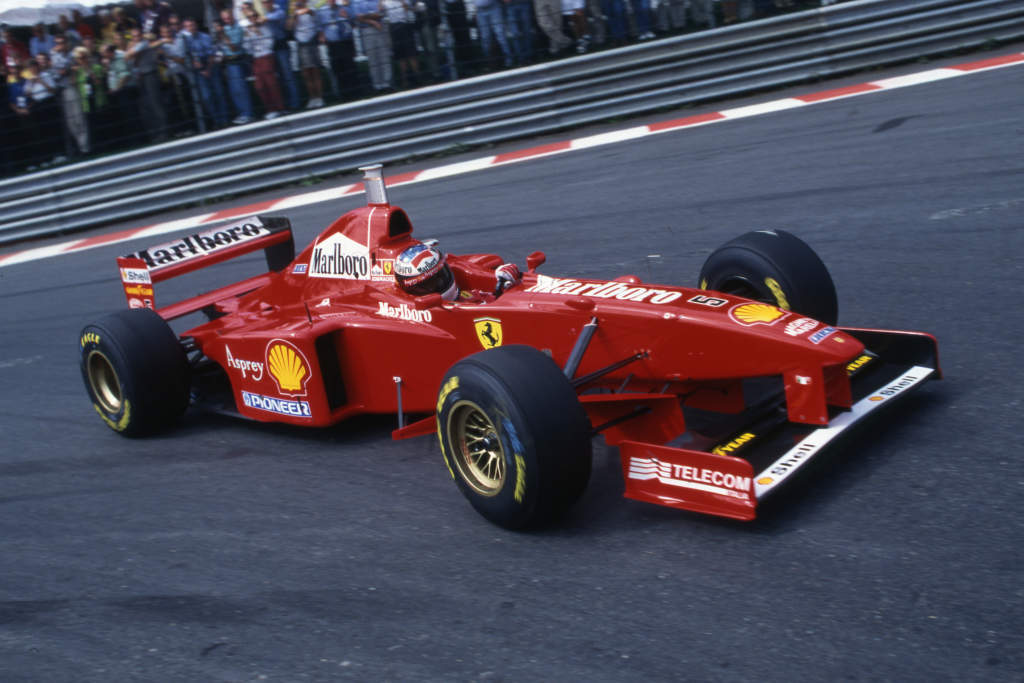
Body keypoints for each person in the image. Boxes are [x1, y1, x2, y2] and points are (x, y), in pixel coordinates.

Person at [394, 240, 521, 303]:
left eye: (440, 276)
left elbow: (494, 301)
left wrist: (506, 284)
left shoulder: (466, 296)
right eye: (429, 284)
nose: (439, 283)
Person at [178, 17, 229, 128]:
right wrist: (198, 67)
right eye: (187, 26)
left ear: (195, 25)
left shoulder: (205, 37)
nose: (190, 28)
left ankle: (224, 119)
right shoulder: (184, 40)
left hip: (210, 65)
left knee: (219, 92)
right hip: (197, 69)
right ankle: (216, 120)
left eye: (191, 25)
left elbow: (212, 53)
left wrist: (207, 69)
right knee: (206, 97)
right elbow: (186, 55)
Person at [241, 7, 285, 119]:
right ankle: (270, 109)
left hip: (266, 56)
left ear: (257, 16)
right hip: (256, 58)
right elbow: (247, 48)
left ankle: (280, 108)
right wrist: (247, 38)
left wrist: (258, 33)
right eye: (249, 17)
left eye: (253, 16)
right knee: (260, 86)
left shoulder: (265, 27)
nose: (252, 19)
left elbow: (269, 43)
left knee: (271, 83)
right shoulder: (247, 30)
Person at [125, 26, 167, 141]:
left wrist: (130, 50)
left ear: (141, 36)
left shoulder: (143, 44)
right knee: (146, 106)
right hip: (142, 77)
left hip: (150, 75)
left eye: (137, 36)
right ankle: (154, 133)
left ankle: (163, 132)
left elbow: (128, 55)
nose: (136, 38)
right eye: (133, 37)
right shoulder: (138, 45)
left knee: (155, 103)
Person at [217, 9, 254, 124]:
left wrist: (222, 34)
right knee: (234, 91)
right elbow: (222, 45)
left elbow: (234, 47)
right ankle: (242, 113)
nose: (226, 21)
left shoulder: (238, 27)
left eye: (227, 18)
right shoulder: (225, 28)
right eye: (224, 19)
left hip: (237, 60)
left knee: (241, 89)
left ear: (232, 16)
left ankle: (248, 113)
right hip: (228, 62)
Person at [264, 0, 301, 111]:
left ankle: (295, 103)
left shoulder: (278, 11)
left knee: (288, 75)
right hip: (271, 48)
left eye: (267, 2)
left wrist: (263, 19)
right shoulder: (266, 14)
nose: (266, 4)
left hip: (281, 45)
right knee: (279, 78)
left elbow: (276, 17)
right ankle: (285, 104)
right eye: (264, 3)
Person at [317, 0, 359, 99]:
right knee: (338, 69)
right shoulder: (321, 11)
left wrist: (347, 17)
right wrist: (322, 36)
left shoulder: (344, 8)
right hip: (333, 44)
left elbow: (354, 23)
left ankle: (355, 92)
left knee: (350, 67)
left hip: (345, 42)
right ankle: (343, 94)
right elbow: (319, 27)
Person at [350, 0, 391, 92]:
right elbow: (358, 17)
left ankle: (387, 83)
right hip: (366, 29)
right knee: (373, 58)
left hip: (381, 28)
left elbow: (381, 13)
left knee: (384, 55)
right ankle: (377, 85)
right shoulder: (356, 2)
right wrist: (373, 21)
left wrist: (366, 16)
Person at [289, 0, 324, 107]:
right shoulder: (293, 13)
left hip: (311, 41)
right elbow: (289, 27)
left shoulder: (311, 9)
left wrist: (302, 11)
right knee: (306, 74)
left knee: (315, 71)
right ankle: (312, 97)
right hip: (300, 43)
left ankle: (320, 97)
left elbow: (313, 15)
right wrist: (294, 14)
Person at [381, 0, 419, 87]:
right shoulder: (386, 2)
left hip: (405, 25)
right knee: (400, 56)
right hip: (394, 27)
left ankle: (417, 77)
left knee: (411, 54)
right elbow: (381, 10)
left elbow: (409, 9)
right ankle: (405, 80)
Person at [473, 0, 513, 68]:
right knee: (485, 37)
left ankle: (508, 59)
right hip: (480, 10)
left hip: (494, 7)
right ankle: (488, 61)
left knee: (500, 34)